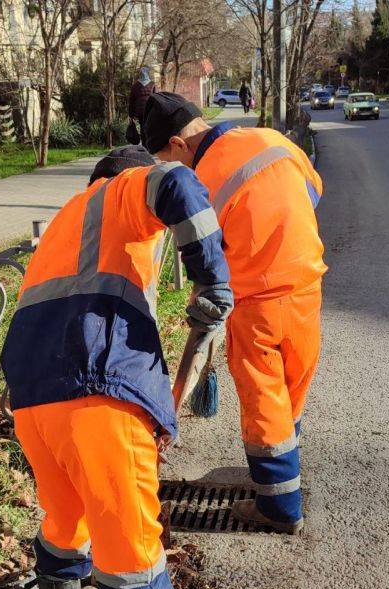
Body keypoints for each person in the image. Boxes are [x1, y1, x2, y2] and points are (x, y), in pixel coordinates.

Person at [0, 145, 233, 589]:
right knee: (128, 526)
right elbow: (175, 181)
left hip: (33, 396)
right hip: (96, 385)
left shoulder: (63, 222)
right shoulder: (120, 191)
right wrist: (213, 280)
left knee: (66, 510)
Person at [142, 92, 327, 536]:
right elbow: (313, 192)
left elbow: (205, 253)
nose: (174, 171)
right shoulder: (271, 139)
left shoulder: (201, 180)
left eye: (168, 160)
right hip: (307, 286)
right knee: (291, 389)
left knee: (264, 400)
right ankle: (283, 475)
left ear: (177, 142)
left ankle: (279, 509)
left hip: (257, 300)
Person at [128, 67, 156, 142]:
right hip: (149, 110)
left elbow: (131, 101)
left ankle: (144, 143)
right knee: (148, 127)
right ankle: (148, 144)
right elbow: (156, 98)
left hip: (140, 111)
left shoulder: (135, 85)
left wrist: (131, 115)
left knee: (142, 127)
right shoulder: (152, 84)